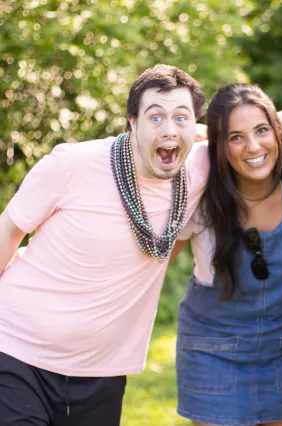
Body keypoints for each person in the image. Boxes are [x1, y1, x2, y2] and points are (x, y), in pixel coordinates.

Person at [0, 64, 209, 425]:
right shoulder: (72, 164)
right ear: (132, 122)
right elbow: (7, 233)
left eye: (181, 118)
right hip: (17, 348)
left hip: (102, 370)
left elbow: (260, 124)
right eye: (154, 117)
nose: (169, 130)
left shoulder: (198, 169)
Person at [173, 83, 282, 426]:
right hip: (212, 354)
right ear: (219, 147)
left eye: (262, 130)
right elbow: (154, 265)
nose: (253, 146)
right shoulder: (200, 195)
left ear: (278, 131)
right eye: (235, 137)